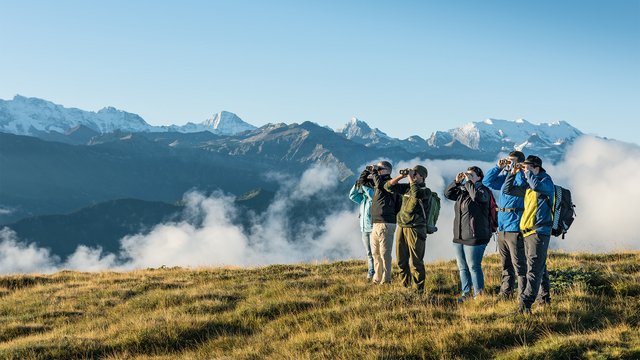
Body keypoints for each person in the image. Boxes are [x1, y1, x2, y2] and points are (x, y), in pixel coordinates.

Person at [503, 155, 554, 314]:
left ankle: (524, 305)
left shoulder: (546, 182)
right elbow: (507, 190)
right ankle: (544, 299)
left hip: (539, 232)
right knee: (539, 267)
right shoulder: (529, 186)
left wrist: (528, 174)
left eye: (527, 167)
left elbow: (537, 186)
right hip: (527, 233)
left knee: (533, 269)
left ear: (536, 167)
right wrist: (512, 173)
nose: (524, 170)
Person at [483, 151, 527, 299]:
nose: (509, 164)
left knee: (519, 265)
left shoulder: (523, 178)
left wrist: (518, 170)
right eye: (508, 161)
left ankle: (523, 295)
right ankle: (505, 293)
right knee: (506, 264)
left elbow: (520, 186)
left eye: (512, 161)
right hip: (502, 228)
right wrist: (498, 167)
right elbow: (487, 182)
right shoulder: (506, 178)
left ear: (520, 163)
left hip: (515, 226)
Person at [445, 166, 492, 303]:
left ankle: (479, 295)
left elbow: (478, 198)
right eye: (467, 174)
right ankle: (466, 293)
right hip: (459, 236)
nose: (468, 176)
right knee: (462, 267)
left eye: (471, 175)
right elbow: (448, 194)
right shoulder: (463, 191)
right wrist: (456, 182)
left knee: (473, 266)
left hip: (475, 236)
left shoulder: (483, 190)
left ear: (479, 177)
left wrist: (469, 182)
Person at [384, 165, 431, 293]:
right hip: (402, 226)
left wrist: (410, 180)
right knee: (401, 260)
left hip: (416, 228)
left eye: (416, 174)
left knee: (416, 262)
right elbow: (388, 187)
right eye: (413, 173)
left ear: (422, 176)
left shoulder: (426, 191)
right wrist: (401, 176)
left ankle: (418, 290)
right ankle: (405, 287)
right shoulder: (407, 188)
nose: (413, 175)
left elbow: (415, 196)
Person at [369, 161, 400, 284]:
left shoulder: (390, 184)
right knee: (375, 253)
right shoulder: (378, 183)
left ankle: (386, 279)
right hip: (376, 223)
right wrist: (369, 171)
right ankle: (377, 278)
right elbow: (362, 182)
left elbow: (380, 185)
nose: (377, 170)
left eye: (380, 168)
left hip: (386, 223)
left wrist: (374, 172)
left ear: (386, 170)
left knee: (384, 253)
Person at [348, 170, 375, 280]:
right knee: (369, 253)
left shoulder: (374, 196)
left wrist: (363, 185)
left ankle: (376, 272)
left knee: (375, 253)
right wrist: (357, 184)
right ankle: (371, 272)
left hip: (373, 229)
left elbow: (372, 196)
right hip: (364, 229)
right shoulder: (363, 198)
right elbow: (352, 195)